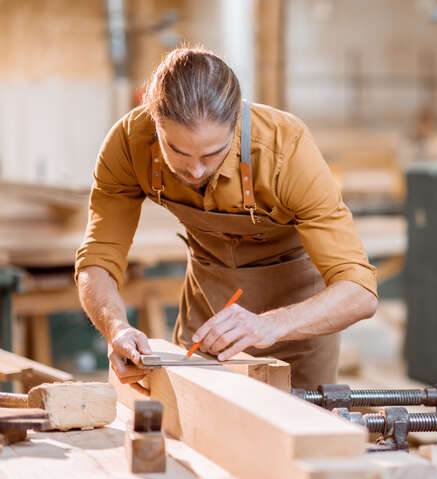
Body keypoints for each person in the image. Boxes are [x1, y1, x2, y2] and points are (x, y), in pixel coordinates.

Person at [76, 47, 377, 389]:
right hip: (205, 320)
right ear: (154, 120)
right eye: (177, 151)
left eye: (212, 154)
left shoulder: (286, 149)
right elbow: (96, 260)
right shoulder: (129, 144)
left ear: (236, 121)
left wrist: (270, 324)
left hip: (297, 324)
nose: (195, 170)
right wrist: (116, 329)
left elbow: (360, 291)